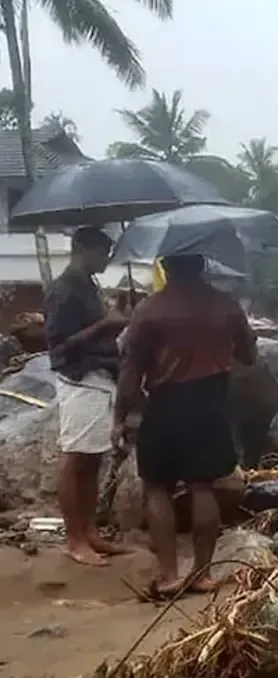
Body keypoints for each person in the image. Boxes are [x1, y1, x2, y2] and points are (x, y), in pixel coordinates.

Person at [115, 253, 256, 597]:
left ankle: (168, 575)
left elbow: (132, 371)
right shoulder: (226, 305)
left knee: (157, 487)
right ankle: (203, 574)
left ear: (166, 268)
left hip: (165, 404)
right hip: (210, 403)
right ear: (203, 266)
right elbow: (249, 356)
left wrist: (119, 417)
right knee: (203, 487)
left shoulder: (149, 309)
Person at [42, 227, 130, 566]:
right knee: (75, 457)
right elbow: (59, 345)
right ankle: (74, 539)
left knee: (93, 458)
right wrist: (107, 326)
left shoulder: (88, 286)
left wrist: (113, 322)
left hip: (99, 377)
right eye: (102, 251)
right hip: (79, 378)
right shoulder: (64, 290)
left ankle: (89, 531)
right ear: (81, 249)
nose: (106, 258)